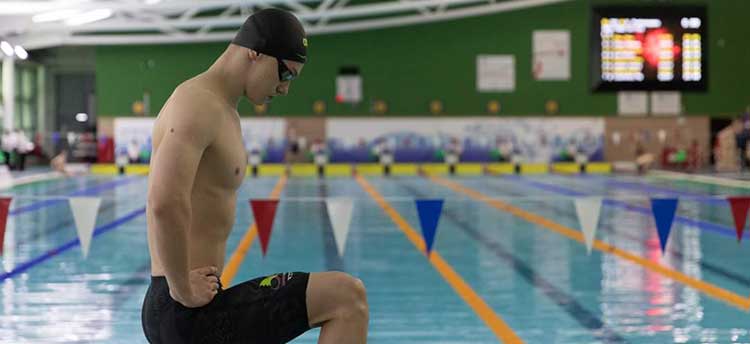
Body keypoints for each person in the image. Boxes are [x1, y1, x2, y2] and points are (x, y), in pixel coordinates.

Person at [141, 8, 369, 344]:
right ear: (255, 53)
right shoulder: (197, 103)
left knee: (346, 297)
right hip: (182, 310)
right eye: (286, 74)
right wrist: (183, 288)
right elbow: (164, 201)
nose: (284, 89)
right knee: (346, 297)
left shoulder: (223, 110)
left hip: (194, 306)